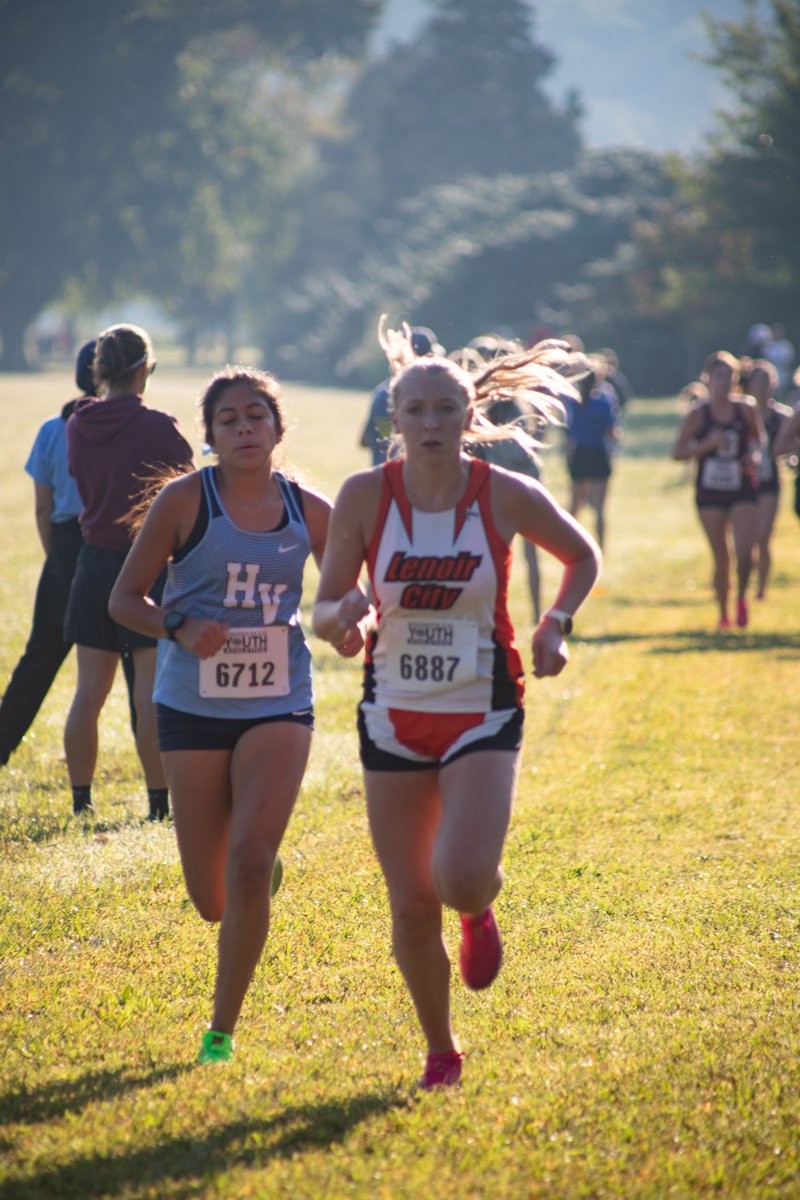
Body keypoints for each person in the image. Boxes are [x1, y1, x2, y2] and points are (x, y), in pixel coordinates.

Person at [312, 324, 601, 1091]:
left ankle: (478, 909)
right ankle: (441, 1048)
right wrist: (351, 620)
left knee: (461, 878)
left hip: (484, 708)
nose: (432, 424)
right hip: (392, 713)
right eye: (417, 411)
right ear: (394, 419)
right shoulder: (365, 496)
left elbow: (582, 555)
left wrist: (556, 622)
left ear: (468, 414)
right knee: (410, 904)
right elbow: (328, 604)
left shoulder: (502, 494)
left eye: (447, 409)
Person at [109, 366, 359, 1065]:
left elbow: (346, 598)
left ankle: (221, 1030)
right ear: (210, 434)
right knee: (212, 898)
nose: (245, 429)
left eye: (257, 417)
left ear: (279, 430)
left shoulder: (310, 509)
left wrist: (348, 627)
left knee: (246, 865)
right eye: (230, 420)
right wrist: (180, 627)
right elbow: (124, 601)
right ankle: (257, 866)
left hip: (280, 700)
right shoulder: (184, 502)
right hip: (190, 705)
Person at [64, 324, 194, 818]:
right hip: (145, 564)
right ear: (144, 368)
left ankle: (81, 801)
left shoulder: (78, 424)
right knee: (148, 691)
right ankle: (158, 803)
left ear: (99, 370)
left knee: (88, 693)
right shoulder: (159, 426)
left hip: (93, 562)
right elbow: (187, 486)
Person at [0, 342, 92, 765]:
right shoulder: (131, 427)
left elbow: (42, 508)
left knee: (38, 659)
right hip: (117, 548)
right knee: (137, 667)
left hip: (64, 543)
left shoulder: (52, 429)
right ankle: (159, 789)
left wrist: (56, 558)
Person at [672, 350, 765, 631]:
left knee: (745, 551)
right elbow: (678, 453)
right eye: (719, 377)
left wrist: (755, 456)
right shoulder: (698, 414)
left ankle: (741, 597)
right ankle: (724, 613)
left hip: (742, 486)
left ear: (736, 379)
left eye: (730, 377)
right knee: (722, 556)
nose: (724, 383)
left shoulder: (745, 408)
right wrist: (706, 446)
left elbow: (759, 440)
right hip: (709, 491)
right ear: (708, 378)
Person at [743, 360, 793, 599]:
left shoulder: (781, 416)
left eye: (766, 382)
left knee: (763, 537)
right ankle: (741, 581)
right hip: (742, 482)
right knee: (745, 540)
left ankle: (761, 588)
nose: (762, 387)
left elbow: (790, 442)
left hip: (770, 483)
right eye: (757, 382)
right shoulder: (741, 412)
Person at [359, 327, 443, 465]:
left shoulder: (381, 391)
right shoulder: (422, 394)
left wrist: (385, 438)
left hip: (379, 474)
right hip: (407, 476)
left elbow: (365, 440)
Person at [564, 355, 621, 550]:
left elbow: (569, 431)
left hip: (579, 453)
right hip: (598, 453)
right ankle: (601, 548)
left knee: (574, 505)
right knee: (599, 508)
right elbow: (612, 433)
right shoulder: (604, 400)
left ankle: (568, 544)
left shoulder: (572, 401)